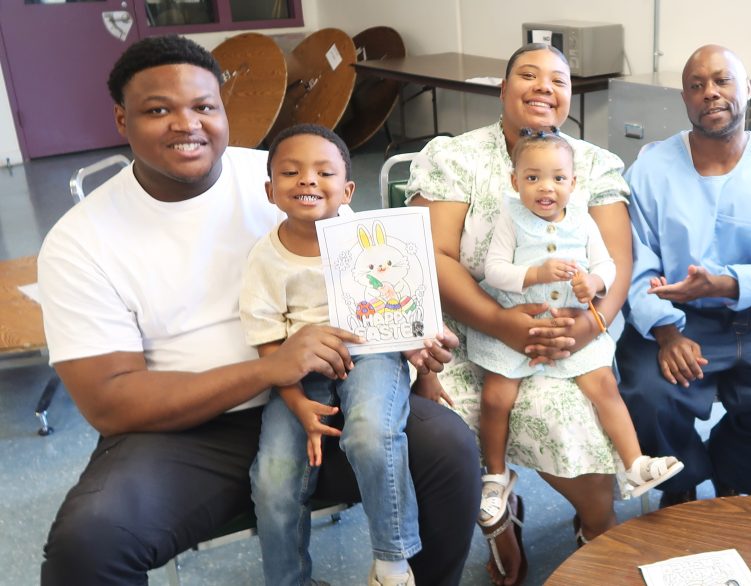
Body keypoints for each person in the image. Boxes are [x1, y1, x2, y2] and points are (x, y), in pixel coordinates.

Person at [35, 35, 478, 586]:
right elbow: (110, 401)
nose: (186, 124)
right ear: (122, 121)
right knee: (89, 545)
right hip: (185, 431)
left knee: (450, 449)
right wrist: (270, 369)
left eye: (203, 106)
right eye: (157, 110)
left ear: (224, 111)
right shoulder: (80, 241)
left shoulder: (286, 173)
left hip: (328, 398)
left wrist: (412, 343)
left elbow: (367, 274)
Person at [407, 44, 633, 585]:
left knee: (578, 424)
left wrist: (584, 328)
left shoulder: (594, 163)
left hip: (568, 336)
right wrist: (501, 322)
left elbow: (617, 262)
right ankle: (502, 522)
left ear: (570, 96)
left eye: (557, 79)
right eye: (527, 75)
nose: (542, 87)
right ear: (503, 89)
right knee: (447, 429)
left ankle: (595, 531)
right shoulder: (455, 156)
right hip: (463, 336)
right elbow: (430, 254)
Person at [616, 44, 751, 506]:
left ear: (748, 89)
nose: (709, 93)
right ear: (685, 99)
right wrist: (667, 331)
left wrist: (725, 284)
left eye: (722, 80)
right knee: (646, 393)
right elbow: (636, 263)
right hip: (674, 316)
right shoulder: (650, 169)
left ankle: (730, 469)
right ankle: (682, 483)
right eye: (696, 86)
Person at [241, 124, 430, 586]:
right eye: (291, 172)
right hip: (298, 372)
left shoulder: (368, 239)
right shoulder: (264, 259)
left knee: (369, 433)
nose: (307, 180)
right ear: (270, 191)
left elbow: (401, 299)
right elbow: (268, 342)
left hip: (370, 353)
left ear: (347, 190)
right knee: (272, 479)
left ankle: (391, 561)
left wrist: (420, 344)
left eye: (323, 172)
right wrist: (297, 403)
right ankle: (287, 581)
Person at [469, 129, 682, 535]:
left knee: (604, 386)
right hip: (519, 325)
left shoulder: (584, 221)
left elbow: (607, 266)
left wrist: (593, 284)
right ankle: (495, 476)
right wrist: (533, 273)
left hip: (572, 329)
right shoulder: (510, 218)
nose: (545, 188)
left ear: (573, 183)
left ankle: (635, 464)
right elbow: (494, 269)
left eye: (557, 178)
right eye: (532, 178)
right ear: (516, 183)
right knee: (496, 397)